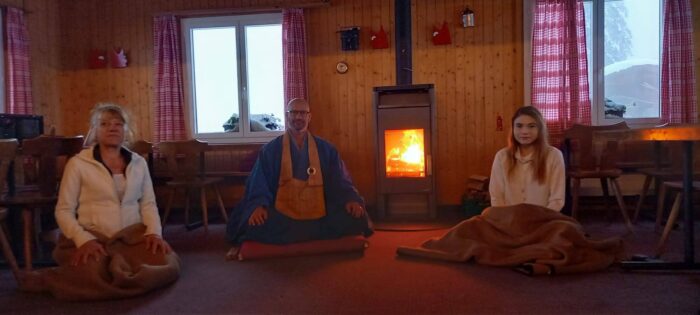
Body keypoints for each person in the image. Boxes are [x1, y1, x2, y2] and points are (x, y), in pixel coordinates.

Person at [19, 103, 180, 301]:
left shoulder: (139, 163)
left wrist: (154, 233)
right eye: (104, 124)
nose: (112, 128)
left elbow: (148, 204)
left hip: (130, 237)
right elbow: (63, 210)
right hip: (94, 237)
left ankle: (112, 280)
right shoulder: (78, 164)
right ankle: (51, 279)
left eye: (118, 124)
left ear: (126, 130)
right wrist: (84, 240)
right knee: (92, 269)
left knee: (166, 261)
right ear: (94, 130)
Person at [225, 98, 373, 252]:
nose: (298, 117)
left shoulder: (326, 149)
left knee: (356, 216)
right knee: (253, 222)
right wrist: (259, 205)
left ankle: (296, 234)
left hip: (319, 210)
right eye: (293, 112)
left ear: (309, 117)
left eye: (302, 113)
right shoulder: (270, 150)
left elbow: (340, 179)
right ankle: (314, 233)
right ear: (287, 116)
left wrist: (349, 198)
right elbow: (259, 181)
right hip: (283, 212)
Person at [489, 106, 565, 211]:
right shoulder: (502, 156)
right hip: (509, 221)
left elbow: (557, 200)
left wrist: (541, 221)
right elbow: (496, 197)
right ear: (513, 128)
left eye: (531, 126)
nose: (524, 131)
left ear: (540, 128)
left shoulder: (554, 155)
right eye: (519, 126)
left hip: (543, 220)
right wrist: (506, 220)